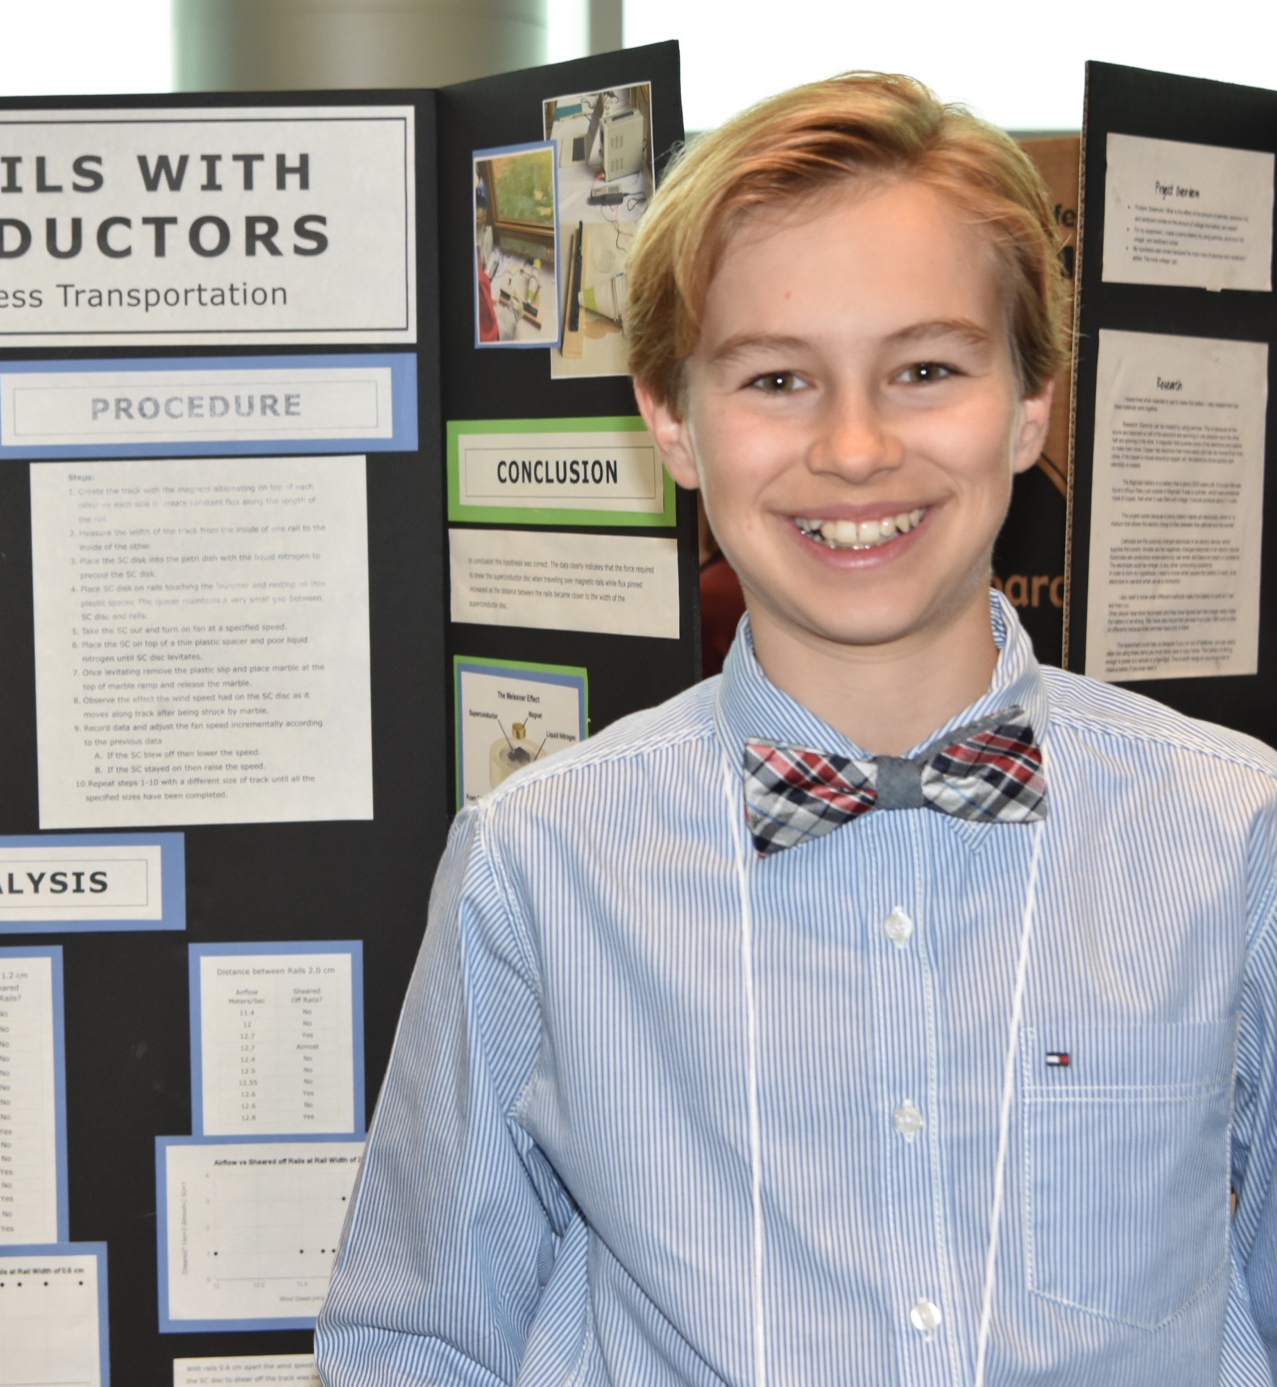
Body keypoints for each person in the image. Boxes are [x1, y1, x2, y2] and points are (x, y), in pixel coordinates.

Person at [317, 72, 1277, 1384]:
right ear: (673, 421)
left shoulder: (1234, 837)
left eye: (926, 369)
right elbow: (415, 1344)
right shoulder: (540, 860)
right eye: (778, 378)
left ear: (1031, 405)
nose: (857, 447)